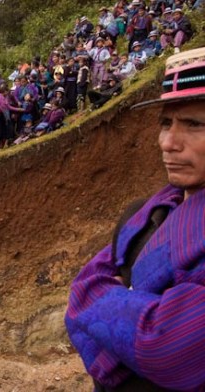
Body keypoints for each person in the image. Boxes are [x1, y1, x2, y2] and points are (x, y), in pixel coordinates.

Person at [66, 47, 205, 391]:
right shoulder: (143, 215)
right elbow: (81, 288)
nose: (168, 143)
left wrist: (106, 306)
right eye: (165, 123)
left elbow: (166, 347)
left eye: (194, 124)